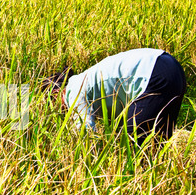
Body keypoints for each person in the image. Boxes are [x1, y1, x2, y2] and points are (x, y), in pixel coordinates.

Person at [42, 48, 186, 145]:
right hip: (169, 66)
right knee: (157, 144)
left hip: (153, 73)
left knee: (135, 148)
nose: (59, 112)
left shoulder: (73, 91)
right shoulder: (85, 80)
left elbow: (87, 138)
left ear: (55, 93)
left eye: (51, 103)